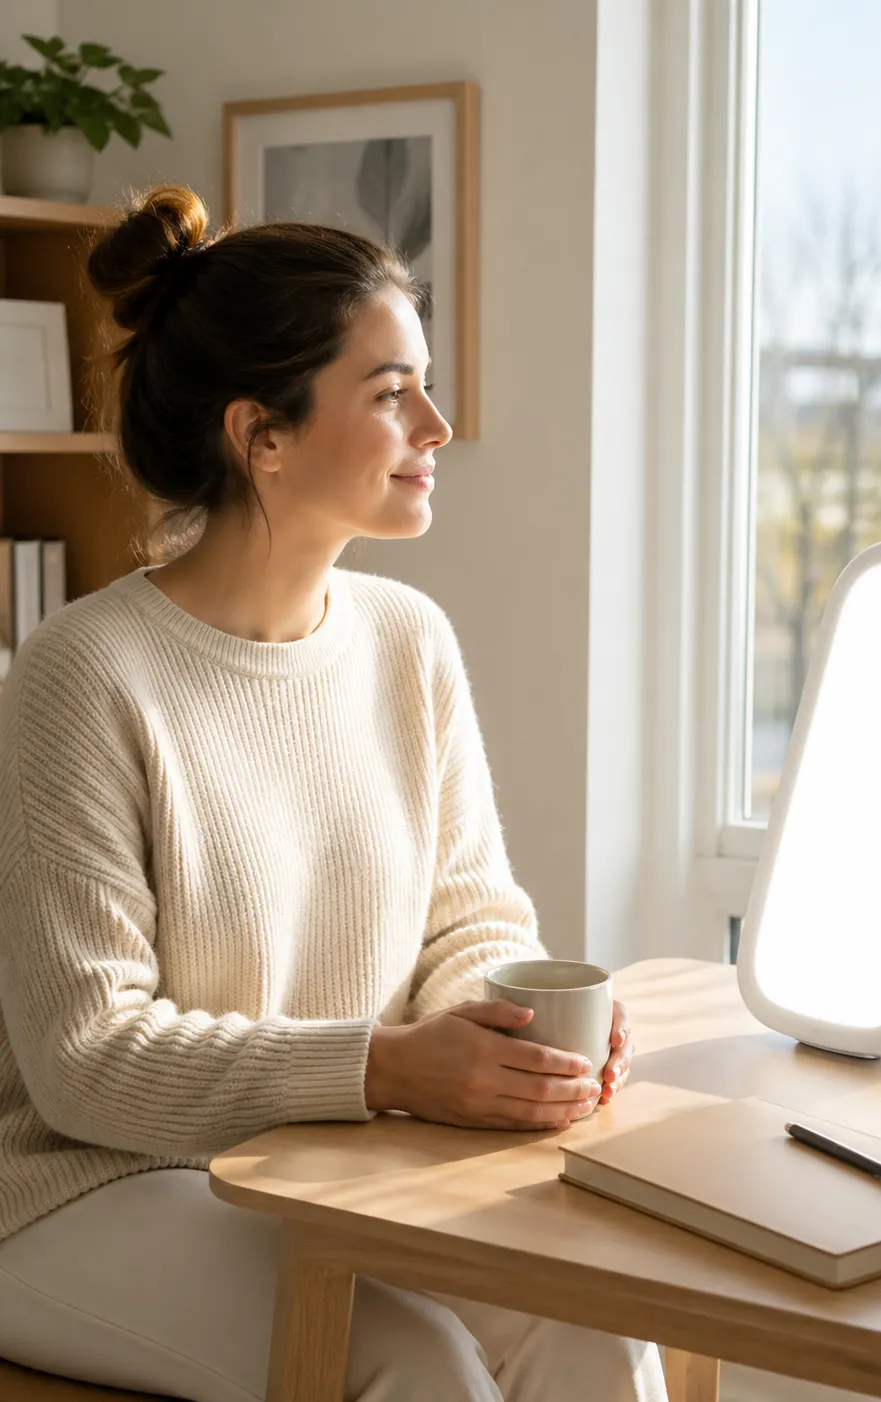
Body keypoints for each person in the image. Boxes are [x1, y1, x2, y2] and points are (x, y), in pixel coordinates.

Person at [0, 185, 665, 1402]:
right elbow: (85, 1058)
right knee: (414, 1360)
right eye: (392, 392)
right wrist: (388, 1068)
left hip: (338, 1161)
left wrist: (507, 1039)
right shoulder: (82, 673)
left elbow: (470, 920)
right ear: (262, 435)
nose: (439, 425)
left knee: (593, 1319)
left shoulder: (410, 639)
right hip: (84, 1185)